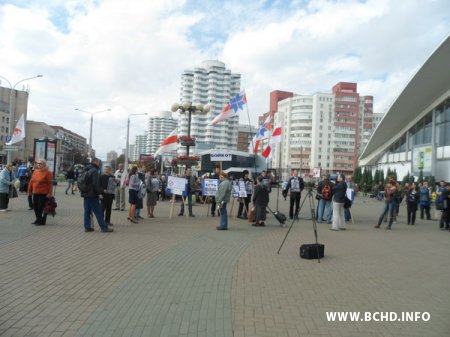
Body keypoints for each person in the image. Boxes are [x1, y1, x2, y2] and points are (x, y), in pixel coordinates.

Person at [80, 158, 113, 233]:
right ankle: (104, 227)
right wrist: (99, 193)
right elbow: (96, 184)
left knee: (87, 211)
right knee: (98, 211)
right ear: (95, 162)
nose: (99, 163)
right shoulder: (94, 171)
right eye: (99, 162)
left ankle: (87, 227)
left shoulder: (86, 169)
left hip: (85, 193)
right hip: (92, 194)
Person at [27, 160, 53, 225]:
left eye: (40, 164)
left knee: (40, 207)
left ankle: (40, 220)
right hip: (35, 192)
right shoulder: (35, 171)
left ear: (44, 164)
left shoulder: (48, 173)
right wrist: (29, 191)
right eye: (38, 164)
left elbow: (50, 184)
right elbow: (31, 181)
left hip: (43, 193)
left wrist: (49, 193)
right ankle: (39, 219)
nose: (38, 165)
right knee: (35, 206)